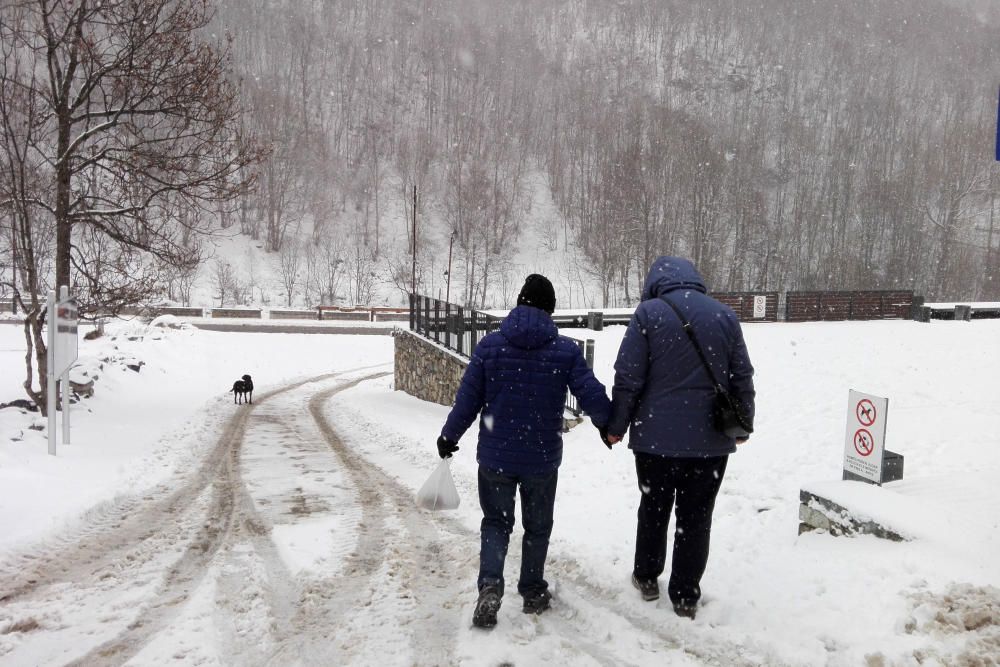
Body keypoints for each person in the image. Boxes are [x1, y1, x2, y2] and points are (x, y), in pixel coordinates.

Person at [436, 274, 611, 629]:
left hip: (496, 458)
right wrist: (610, 425)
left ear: (519, 302)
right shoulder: (564, 350)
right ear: (550, 309)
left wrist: (448, 436)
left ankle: (489, 587)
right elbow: (590, 393)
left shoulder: (489, 347)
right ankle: (532, 590)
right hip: (541, 458)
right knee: (537, 527)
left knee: (496, 524)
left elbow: (467, 400)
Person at [605, 256, 755, 619]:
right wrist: (743, 424)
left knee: (653, 510)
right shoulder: (724, 316)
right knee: (697, 516)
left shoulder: (648, 314)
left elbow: (628, 377)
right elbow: (742, 377)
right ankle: (685, 594)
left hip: (655, 442)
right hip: (709, 444)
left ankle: (646, 576)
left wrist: (617, 424)